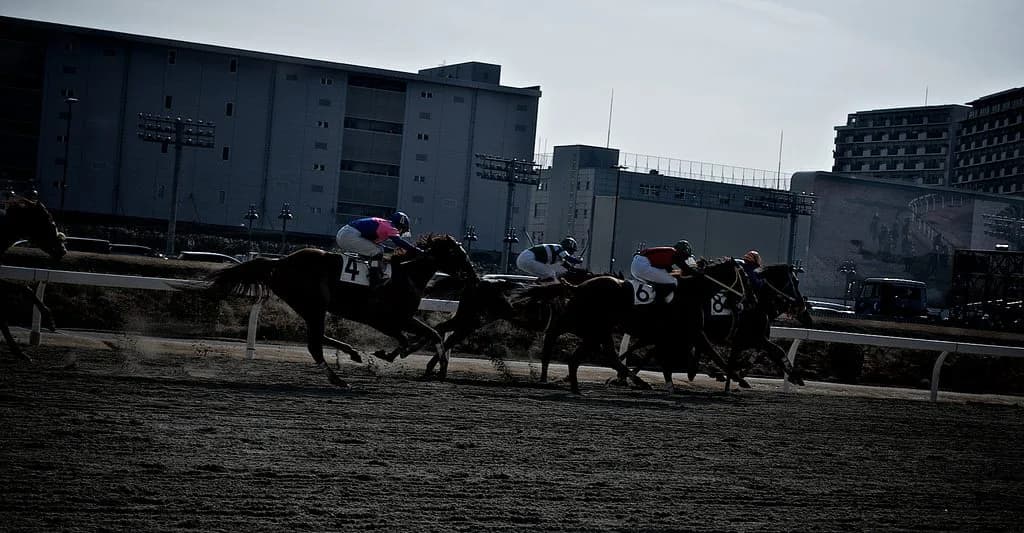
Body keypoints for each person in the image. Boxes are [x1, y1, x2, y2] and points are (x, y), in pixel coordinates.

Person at [336, 211, 419, 285]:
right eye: (403, 230)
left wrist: (392, 250)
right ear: (400, 226)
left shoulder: (385, 225)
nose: (402, 233)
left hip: (345, 234)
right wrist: (415, 250)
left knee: (378, 249)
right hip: (348, 236)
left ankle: (370, 272)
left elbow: (379, 246)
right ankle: (374, 278)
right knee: (377, 251)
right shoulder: (391, 227)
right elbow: (398, 241)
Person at [630, 240, 699, 303]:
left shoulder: (670, 252)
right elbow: (685, 268)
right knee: (673, 282)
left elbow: (669, 270)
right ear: (683, 251)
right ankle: (660, 304)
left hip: (636, 265)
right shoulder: (675, 253)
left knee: (664, 280)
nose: (685, 258)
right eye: (686, 256)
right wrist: (699, 273)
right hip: (643, 266)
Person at [516, 237, 583, 281]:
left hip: (522, 259)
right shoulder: (559, 248)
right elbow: (569, 258)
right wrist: (578, 260)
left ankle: (536, 286)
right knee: (550, 274)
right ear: (568, 248)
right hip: (527, 259)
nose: (572, 253)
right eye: (572, 251)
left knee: (544, 275)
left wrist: (577, 271)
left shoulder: (559, 255)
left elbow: (568, 267)